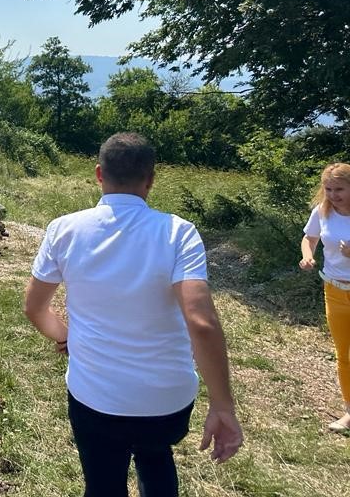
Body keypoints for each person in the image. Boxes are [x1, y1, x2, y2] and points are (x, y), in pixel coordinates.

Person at [24, 132, 242, 497]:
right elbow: (201, 323)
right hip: (166, 403)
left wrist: (65, 337)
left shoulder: (64, 230)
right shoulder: (179, 233)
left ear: (98, 174)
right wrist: (222, 406)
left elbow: (34, 307)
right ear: (151, 179)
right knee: (156, 457)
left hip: (96, 398)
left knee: (103, 481)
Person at [299, 162, 350, 431]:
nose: (333, 195)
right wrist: (307, 256)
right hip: (334, 290)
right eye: (328, 189)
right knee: (344, 355)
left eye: (339, 189)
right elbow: (310, 238)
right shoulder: (323, 212)